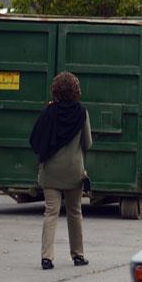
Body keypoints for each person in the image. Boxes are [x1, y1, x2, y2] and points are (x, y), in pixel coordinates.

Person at [29, 72, 92, 270]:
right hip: (74, 171)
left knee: (51, 213)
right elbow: (88, 143)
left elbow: (35, 138)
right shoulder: (82, 113)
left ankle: (46, 257)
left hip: (51, 172)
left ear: (55, 90)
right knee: (75, 212)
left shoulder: (49, 112)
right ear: (76, 91)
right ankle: (78, 255)